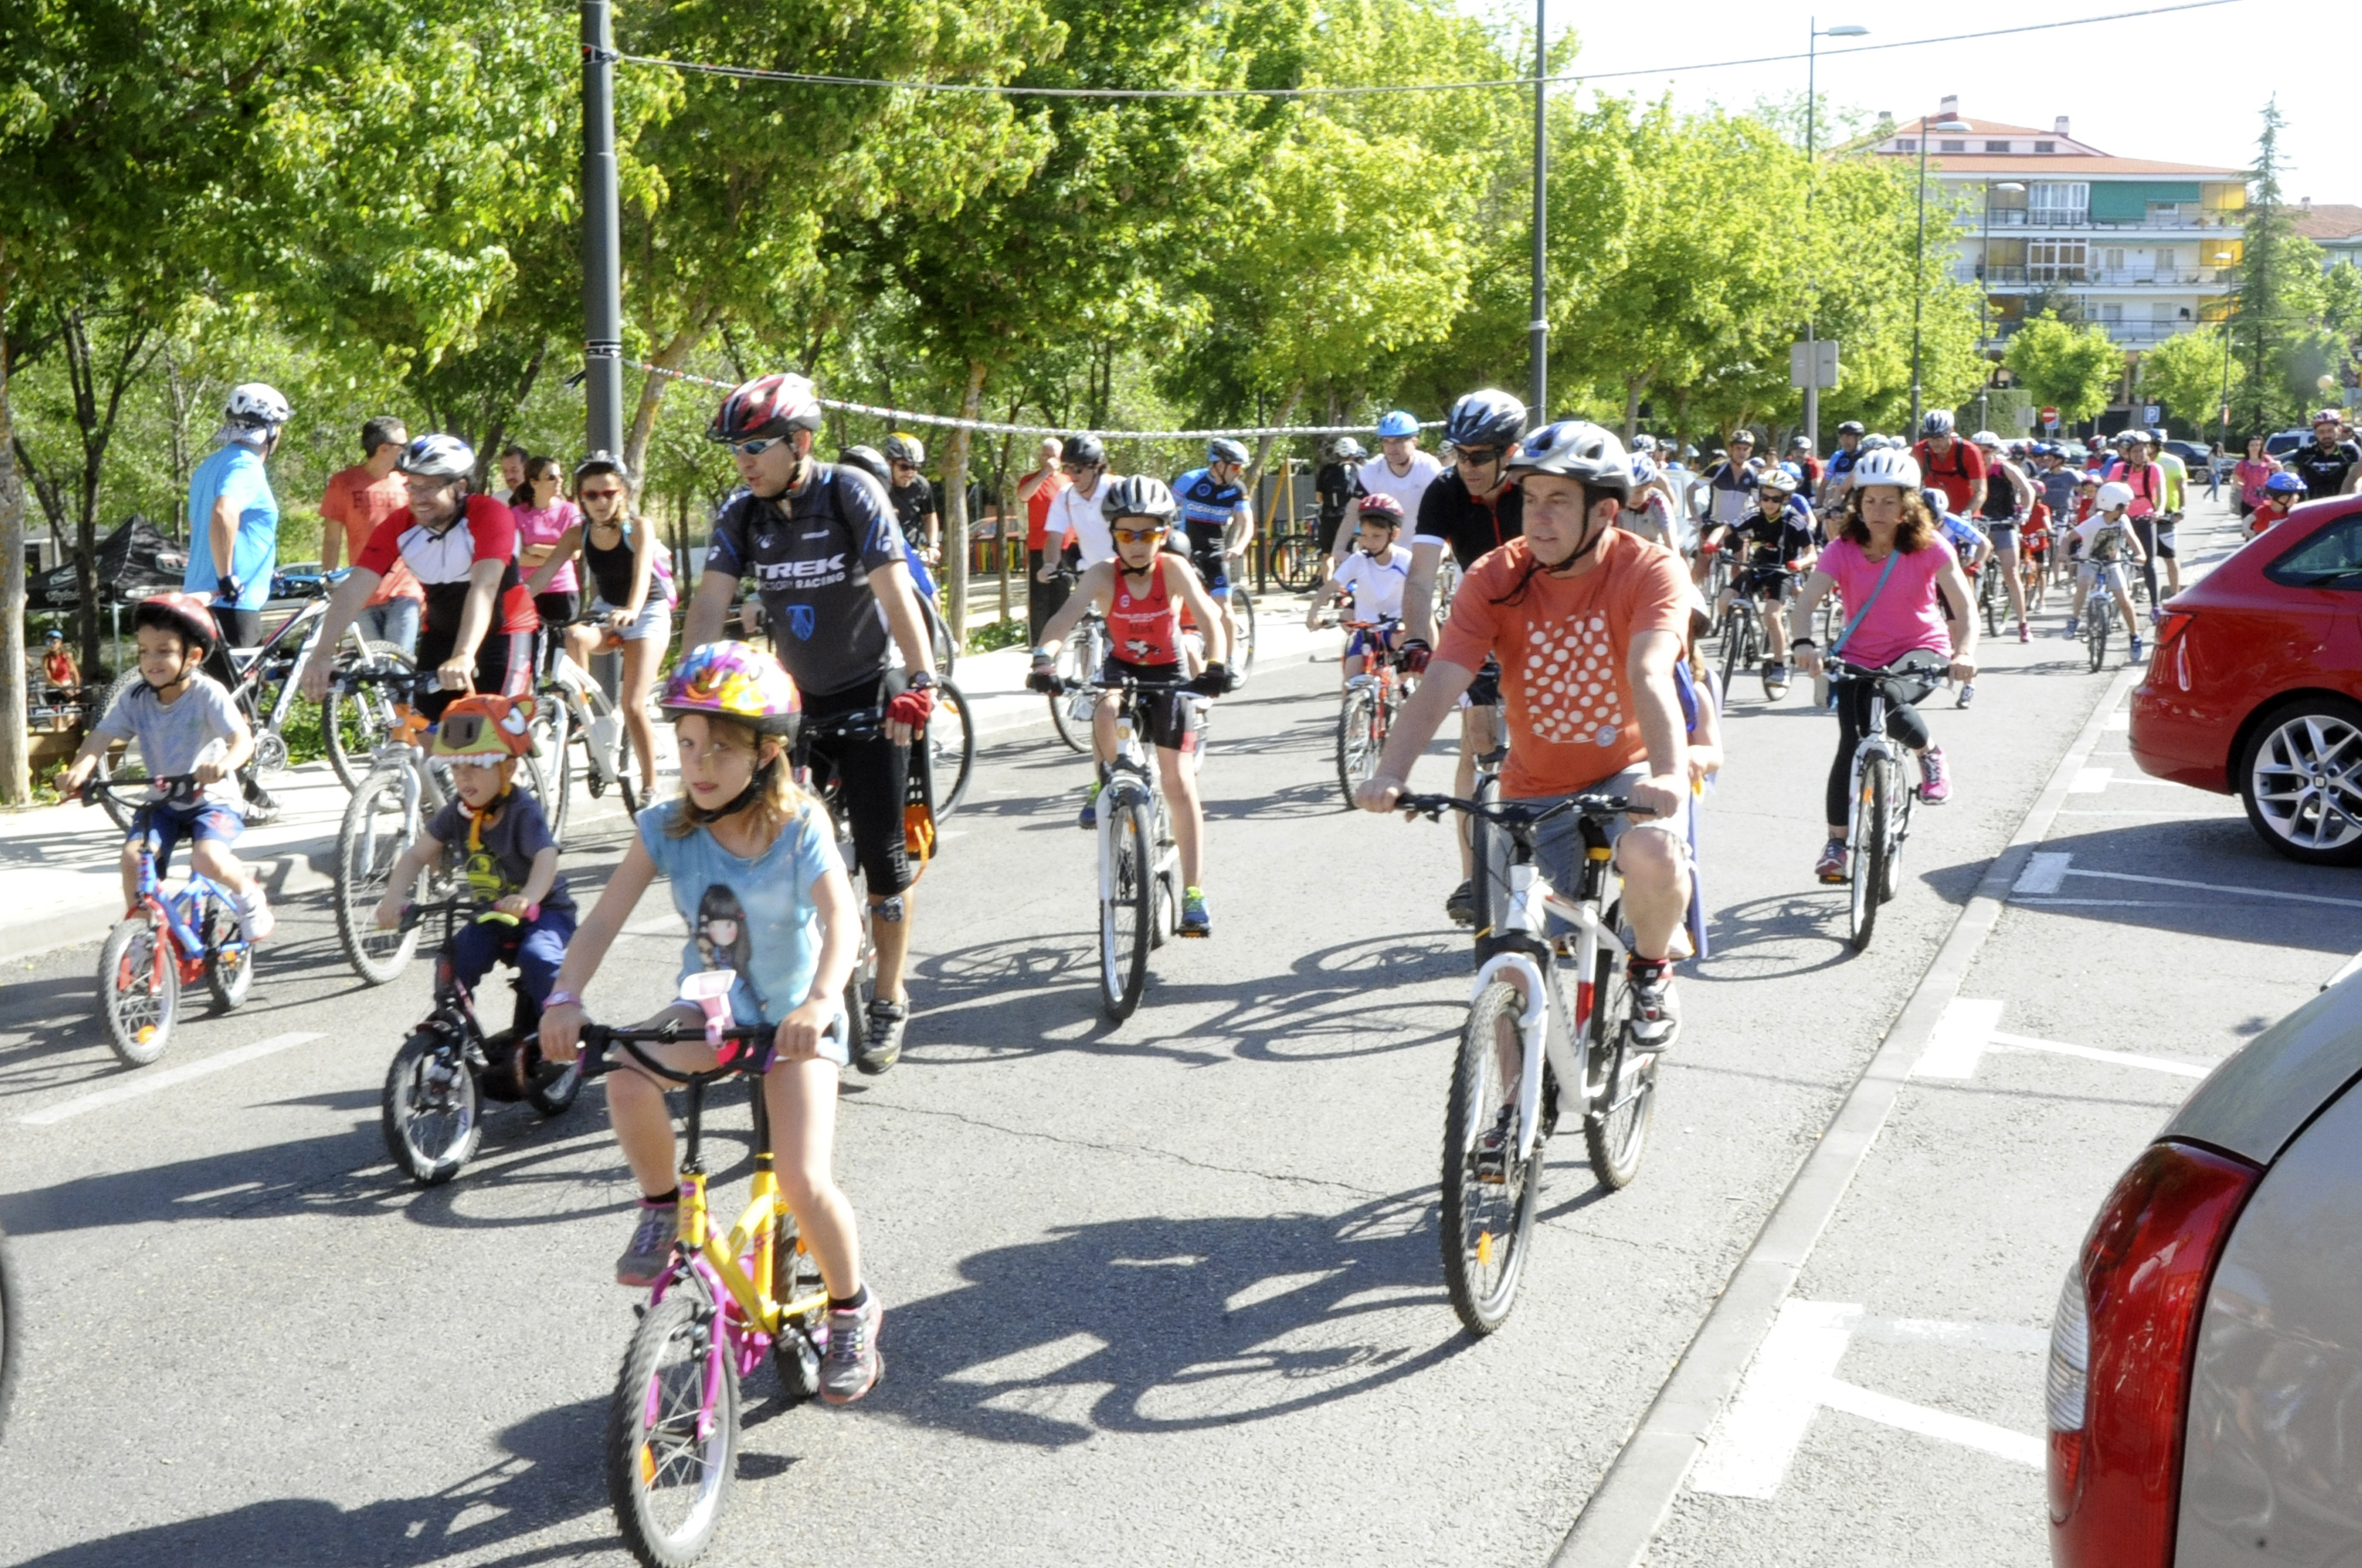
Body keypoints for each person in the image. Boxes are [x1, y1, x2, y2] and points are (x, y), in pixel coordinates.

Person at [536, 642, 882, 1404]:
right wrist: (564, 997)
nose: (697, 764)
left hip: (794, 1021)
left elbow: (842, 922)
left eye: (719, 748)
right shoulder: (667, 826)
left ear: (767, 753)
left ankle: (852, 1309)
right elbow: (600, 923)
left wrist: (821, 1003)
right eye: (686, 744)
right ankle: (662, 1208)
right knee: (626, 1073)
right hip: (713, 1010)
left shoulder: (800, 826)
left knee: (801, 1175)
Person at [1357, 420, 1691, 1050]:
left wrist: (1669, 775)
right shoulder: (1495, 575)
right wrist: (1392, 773)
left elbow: (1650, 672)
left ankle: (1651, 970)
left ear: (1606, 511)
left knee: (1654, 853)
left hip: (1627, 773)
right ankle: (1506, 1125)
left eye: (1558, 500)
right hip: (1531, 789)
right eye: (1530, 498)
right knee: (1507, 966)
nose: (1537, 517)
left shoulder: (1648, 570)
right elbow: (1439, 685)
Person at [684, 373, 940, 1076]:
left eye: (755, 447)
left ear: (800, 442)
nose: (743, 462)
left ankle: (887, 995)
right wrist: (693, 693)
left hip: (870, 689)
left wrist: (920, 680)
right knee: (767, 849)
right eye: (736, 449)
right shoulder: (742, 511)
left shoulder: (852, 493)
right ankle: (770, 991)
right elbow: (710, 607)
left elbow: (895, 590)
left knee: (886, 858)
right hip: (792, 707)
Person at [1027, 476, 1234, 935]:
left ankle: (1194, 894)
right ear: (1113, 534)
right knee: (1104, 707)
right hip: (1122, 666)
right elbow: (1064, 617)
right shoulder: (1101, 573)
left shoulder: (1174, 568)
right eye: (1126, 534)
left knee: (1178, 782)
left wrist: (1216, 663)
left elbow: (1208, 616)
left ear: (1163, 533)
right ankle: (1109, 782)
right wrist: (1045, 658)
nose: (1137, 544)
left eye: (1148, 533)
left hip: (1171, 671)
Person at [1788, 451, 1979, 885]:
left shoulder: (1931, 546)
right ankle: (1837, 844)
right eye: (1869, 501)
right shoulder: (1842, 549)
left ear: (1908, 505)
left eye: (1889, 502)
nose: (1877, 511)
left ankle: (1928, 753)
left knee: (1889, 696)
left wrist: (1964, 652)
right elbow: (1805, 605)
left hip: (1921, 649)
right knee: (1849, 743)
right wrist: (1803, 643)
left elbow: (1966, 610)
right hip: (1858, 655)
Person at [59, 593, 273, 941]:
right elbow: (100, 736)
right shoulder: (136, 698)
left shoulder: (208, 693)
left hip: (211, 799)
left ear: (193, 656)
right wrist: (80, 770)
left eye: (164, 650)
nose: (150, 660)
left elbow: (242, 741)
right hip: (164, 803)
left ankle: (249, 897)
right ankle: (142, 932)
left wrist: (221, 766)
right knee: (132, 859)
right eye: (143, 651)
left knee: (207, 860)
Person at [294, 434, 539, 725]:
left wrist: (463, 655)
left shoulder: (489, 514)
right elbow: (354, 588)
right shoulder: (400, 525)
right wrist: (321, 655)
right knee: (425, 732)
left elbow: (484, 587)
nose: (418, 498)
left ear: (459, 487)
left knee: (492, 734)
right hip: (442, 632)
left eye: (430, 487)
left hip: (505, 631)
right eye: (412, 486)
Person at [1402, 388, 1529, 925]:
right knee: (1475, 745)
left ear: (1511, 452)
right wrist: (1417, 640)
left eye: (1479, 456)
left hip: (1547, 620)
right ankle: (1473, 876)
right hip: (1483, 617)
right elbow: (1421, 576)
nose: (1466, 466)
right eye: (1458, 453)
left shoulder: (1536, 486)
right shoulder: (1445, 490)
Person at [369, 692, 574, 1022]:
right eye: (457, 768)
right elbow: (416, 856)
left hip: (543, 913)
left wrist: (528, 898)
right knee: (454, 960)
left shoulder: (522, 810)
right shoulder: (457, 813)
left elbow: (546, 856)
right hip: (491, 914)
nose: (464, 777)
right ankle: (454, 1034)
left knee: (539, 958)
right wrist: (392, 899)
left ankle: (561, 1028)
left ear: (507, 769)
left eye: (476, 767)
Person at [518, 453, 677, 799]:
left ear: (622, 492)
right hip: (607, 610)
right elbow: (543, 575)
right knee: (574, 635)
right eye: (591, 495)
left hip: (647, 610)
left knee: (633, 704)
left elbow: (640, 578)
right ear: (580, 498)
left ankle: (650, 788)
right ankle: (583, 713)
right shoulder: (578, 533)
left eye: (608, 493)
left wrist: (632, 610)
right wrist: (513, 600)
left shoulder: (638, 528)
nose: (601, 502)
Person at [184, 383, 291, 655]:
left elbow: (199, 529)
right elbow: (222, 514)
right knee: (241, 698)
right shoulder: (246, 466)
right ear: (271, 430)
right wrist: (226, 577)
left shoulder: (208, 466)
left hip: (197, 602)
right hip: (232, 606)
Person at [1705, 467, 1816, 692]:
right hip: (1756, 568)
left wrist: (1800, 564)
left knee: (1772, 615)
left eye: (1775, 499)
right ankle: (1742, 630)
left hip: (1782, 572)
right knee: (1724, 601)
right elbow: (1726, 528)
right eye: (1764, 497)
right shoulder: (1754, 514)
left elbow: (1812, 553)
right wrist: (1712, 542)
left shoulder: (1794, 521)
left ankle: (1779, 667)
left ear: (1785, 499)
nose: (1768, 503)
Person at [320, 416, 423, 658]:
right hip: (362, 592)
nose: (407, 451)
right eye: (403, 446)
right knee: (374, 670)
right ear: (383, 448)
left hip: (405, 590)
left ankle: (402, 698)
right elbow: (332, 539)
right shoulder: (343, 483)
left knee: (399, 664)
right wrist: (330, 584)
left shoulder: (410, 483)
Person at [1306, 491, 1411, 686]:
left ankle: (1406, 686)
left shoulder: (1405, 561)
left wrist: (1411, 621)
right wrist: (1313, 612)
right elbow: (1327, 589)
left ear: (1394, 535)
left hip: (1396, 628)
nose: (1369, 542)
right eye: (1364, 535)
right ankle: (1353, 712)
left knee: (1405, 661)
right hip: (1366, 633)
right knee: (1349, 682)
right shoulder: (1358, 560)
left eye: (1377, 536)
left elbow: (1419, 594)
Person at [1173, 438, 1254, 660]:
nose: (1239, 473)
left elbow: (1247, 522)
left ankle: (1227, 661)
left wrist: (1238, 546)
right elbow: (1164, 512)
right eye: (1236, 467)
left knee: (1225, 608)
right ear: (1219, 464)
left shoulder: (1237, 489)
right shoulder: (1190, 481)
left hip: (1216, 554)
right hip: (1185, 552)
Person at [509, 454, 590, 671]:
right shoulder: (517, 514)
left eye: (560, 476)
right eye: (551, 477)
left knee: (563, 651)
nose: (559, 481)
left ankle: (567, 699)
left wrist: (535, 549)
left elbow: (574, 554)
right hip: (531, 590)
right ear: (533, 482)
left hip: (563, 591)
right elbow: (517, 556)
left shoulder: (569, 510)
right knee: (529, 653)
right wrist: (556, 552)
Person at [2064, 481, 2148, 658]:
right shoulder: (2093, 522)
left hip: (2112, 564)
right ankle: (2074, 619)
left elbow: (2131, 538)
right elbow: (2069, 537)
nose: (2128, 507)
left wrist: (2140, 553)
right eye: (2126, 504)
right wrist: (2063, 554)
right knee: (2083, 583)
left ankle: (2135, 637)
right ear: (2116, 505)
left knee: (2124, 600)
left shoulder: (2123, 520)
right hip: (2090, 562)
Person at [1968, 430, 2036, 642]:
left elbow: (2028, 491)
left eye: (1986, 451)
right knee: (1969, 569)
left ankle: (2023, 624)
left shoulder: (2004, 468)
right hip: (1979, 526)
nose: (1982, 455)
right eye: (1977, 452)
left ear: (1995, 451)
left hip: (2004, 524)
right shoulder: (1969, 470)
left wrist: (2024, 512)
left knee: (2011, 572)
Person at [2103, 430, 2173, 611]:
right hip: (2122, 516)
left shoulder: (2154, 469)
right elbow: (2107, 490)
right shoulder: (2119, 469)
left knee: (2148, 561)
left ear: (2148, 451)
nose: (2138, 454)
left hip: (2145, 517)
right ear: (2128, 453)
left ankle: (2155, 605)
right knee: (2108, 557)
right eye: (2134, 451)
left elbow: (2162, 492)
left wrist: (2158, 510)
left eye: (2142, 450)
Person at [1042, 433, 1118, 578]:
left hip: (1124, 575)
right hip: (1091, 577)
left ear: (1097, 466)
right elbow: (1054, 537)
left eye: (1078, 469)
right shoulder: (1065, 496)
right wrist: (1049, 565)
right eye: (1067, 468)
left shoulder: (1119, 490)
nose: (1071, 475)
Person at [1018, 438, 1070, 642]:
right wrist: (1043, 474)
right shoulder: (1030, 479)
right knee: (1039, 599)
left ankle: (1061, 640)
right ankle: (1039, 642)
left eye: (1053, 456)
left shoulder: (1068, 481)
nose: (1049, 459)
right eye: (1045, 455)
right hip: (1039, 546)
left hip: (1066, 547)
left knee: (1062, 596)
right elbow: (1023, 496)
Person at [1358, 412, 1443, 531]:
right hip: (1384, 547)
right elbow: (1352, 512)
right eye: (1386, 441)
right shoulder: (1372, 469)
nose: (1391, 448)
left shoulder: (1428, 467)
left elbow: (1444, 509)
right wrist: (1338, 548)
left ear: (1414, 442)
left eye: (1398, 441)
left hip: (1422, 543)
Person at [1690, 431, 1761, 556]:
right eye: (1738, 448)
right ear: (1730, 449)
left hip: (1737, 527)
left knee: (1739, 570)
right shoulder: (1717, 468)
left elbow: (1758, 503)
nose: (1742, 452)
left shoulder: (1753, 473)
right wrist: (1694, 513)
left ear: (1750, 451)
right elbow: (1690, 489)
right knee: (1701, 569)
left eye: (1745, 449)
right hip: (1713, 523)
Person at [1911, 410, 1986, 518]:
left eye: (1940, 436)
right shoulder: (1920, 450)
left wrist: (1965, 515)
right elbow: (1910, 488)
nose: (1935, 442)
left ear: (1951, 431)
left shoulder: (1969, 451)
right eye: (1930, 437)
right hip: (1933, 516)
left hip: (1966, 516)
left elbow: (1980, 491)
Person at [882, 433, 941, 559]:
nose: (910, 472)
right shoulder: (876, 485)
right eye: (904, 466)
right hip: (884, 555)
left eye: (915, 467)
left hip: (912, 552)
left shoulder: (921, 485)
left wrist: (932, 545)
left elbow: (929, 516)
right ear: (889, 463)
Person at [2287, 409, 2362, 500]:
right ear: (2315, 433)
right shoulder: (2305, 452)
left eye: (2330, 430)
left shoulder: (2349, 451)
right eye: (2321, 432)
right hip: (2310, 508)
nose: (2326, 435)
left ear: (2339, 430)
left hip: (2342, 506)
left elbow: (2356, 478)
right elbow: (2289, 475)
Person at [1315, 436, 1366, 562]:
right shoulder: (1361, 471)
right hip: (1349, 517)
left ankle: (1328, 581)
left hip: (1327, 516)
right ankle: (1346, 580)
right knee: (1348, 553)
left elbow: (1319, 497)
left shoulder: (1326, 470)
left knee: (1327, 555)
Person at [1818, 422, 1867, 512]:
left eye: (1848, 437)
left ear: (1859, 438)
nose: (1844, 441)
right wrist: (1818, 506)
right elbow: (1824, 483)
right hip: (1839, 501)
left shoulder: (1864, 456)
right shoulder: (1837, 456)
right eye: (1842, 437)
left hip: (1858, 503)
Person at [39, 630, 79, 731]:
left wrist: (77, 687)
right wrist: (63, 688)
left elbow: (75, 672)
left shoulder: (67, 656)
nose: (52, 645)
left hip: (68, 688)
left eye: (54, 642)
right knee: (56, 718)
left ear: (60, 642)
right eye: (48, 642)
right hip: (53, 690)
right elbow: (48, 679)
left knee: (69, 717)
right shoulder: (46, 658)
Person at [2233, 434, 2277, 523]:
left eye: (2257, 445)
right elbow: (2236, 481)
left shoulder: (2267, 459)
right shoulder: (2243, 464)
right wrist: (2247, 488)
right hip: (2248, 502)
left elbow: (2279, 473)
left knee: (2265, 528)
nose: (2255, 447)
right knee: (2250, 528)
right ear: (2247, 447)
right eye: (2252, 445)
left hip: (2266, 501)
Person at [2247, 469, 2306, 534]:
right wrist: (2247, 529)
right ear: (2283, 498)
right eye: (2295, 495)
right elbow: (2249, 519)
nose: (2298, 497)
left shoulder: (2292, 512)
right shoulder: (2263, 511)